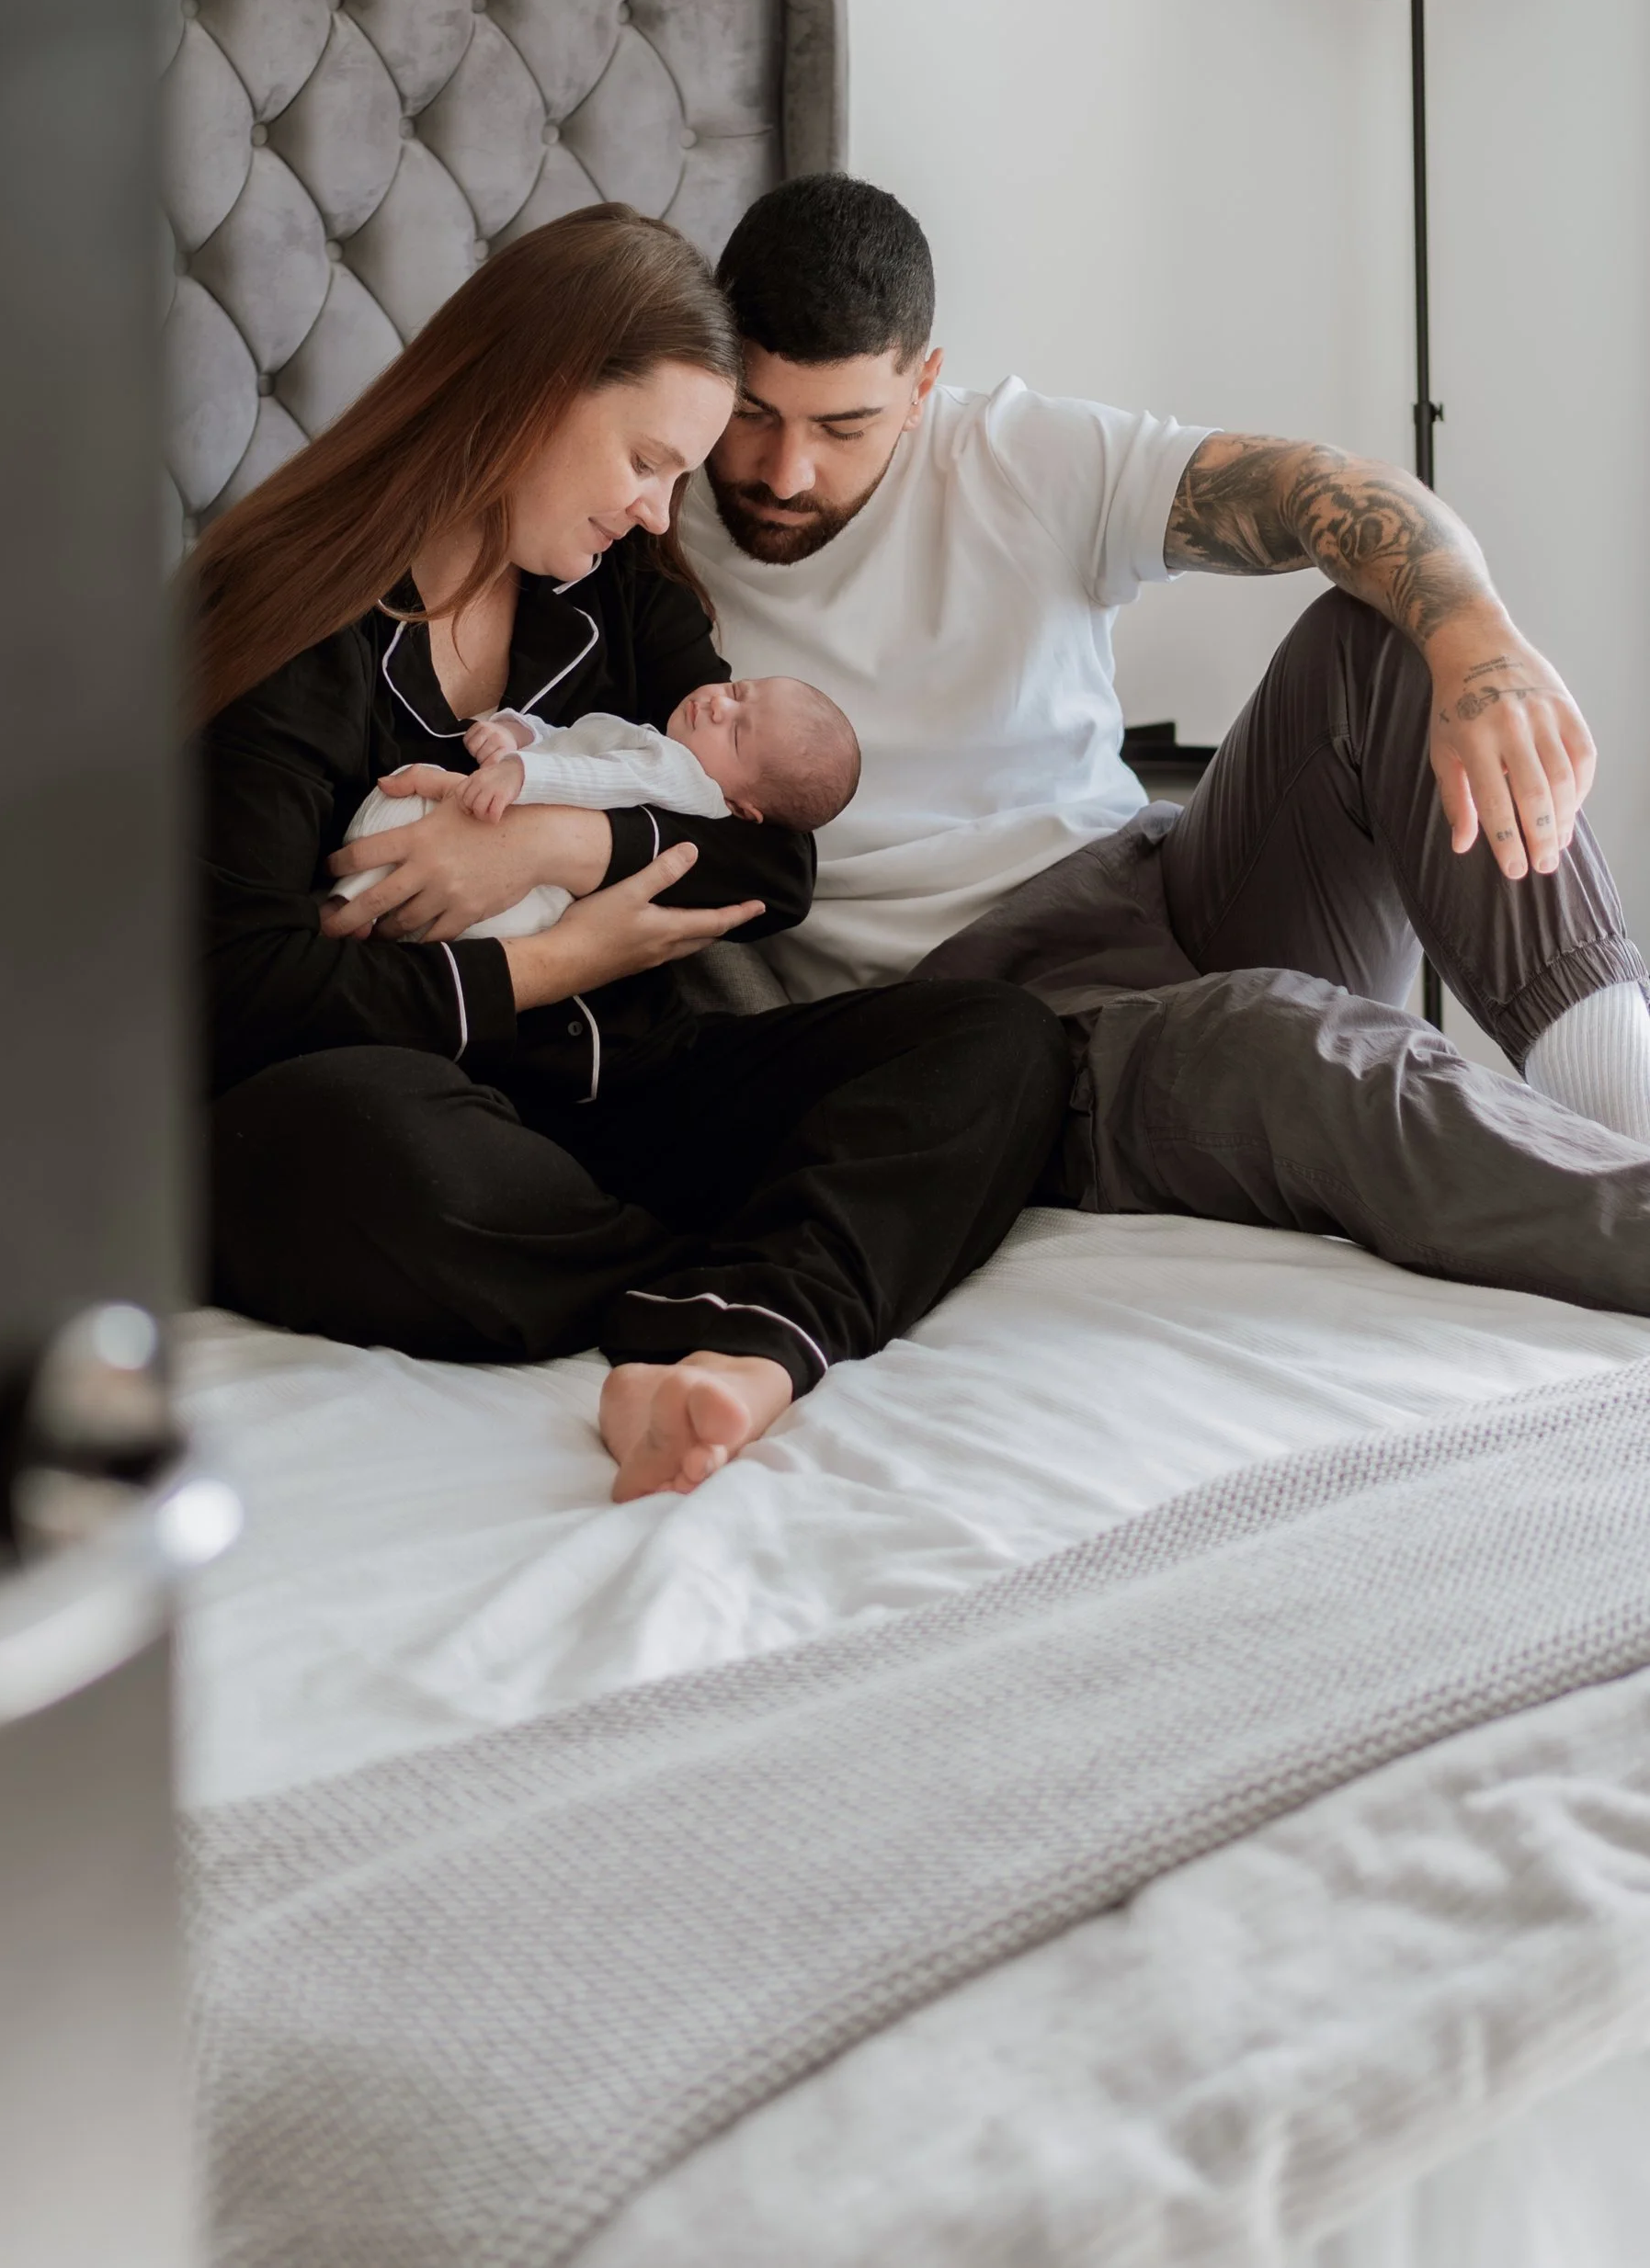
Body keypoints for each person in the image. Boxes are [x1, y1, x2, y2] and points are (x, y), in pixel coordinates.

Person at [194, 202, 1069, 1502]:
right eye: (648, 460)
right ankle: (748, 1283)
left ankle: (744, 1341)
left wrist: (555, 838)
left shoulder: (617, 595)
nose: (663, 511)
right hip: (421, 1118)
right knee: (327, 1147)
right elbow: (242, 986)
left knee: (999, 1041)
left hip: (631, 1097)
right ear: (531, 394)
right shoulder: (291, 615)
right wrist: (552, 962)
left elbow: (772, 867)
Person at [676, 171, 1650, 1312]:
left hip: (1158, 887)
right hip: (982, 1028)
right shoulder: (637, 525)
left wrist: (1483, 648)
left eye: (841, 427)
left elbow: (1333, 491)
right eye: (750, 412)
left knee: (1387, 639)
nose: (784, 471)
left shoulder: (1014, 454)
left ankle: (1623, 1113)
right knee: (1298, 1047)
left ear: (922, 383)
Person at [331, 674, 859, 940]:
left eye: (738, 734)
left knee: (406, 793)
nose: (719, 704)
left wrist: (523, 771)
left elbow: (599, 778)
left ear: (742, 808)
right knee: (411, 806)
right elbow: (572, 741)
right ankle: (354, 911)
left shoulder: (683, 777)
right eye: (739, 690)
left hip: (524, 902)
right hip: (495, 857)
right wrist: (517, 734)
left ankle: (344, 911)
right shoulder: (659, 743)